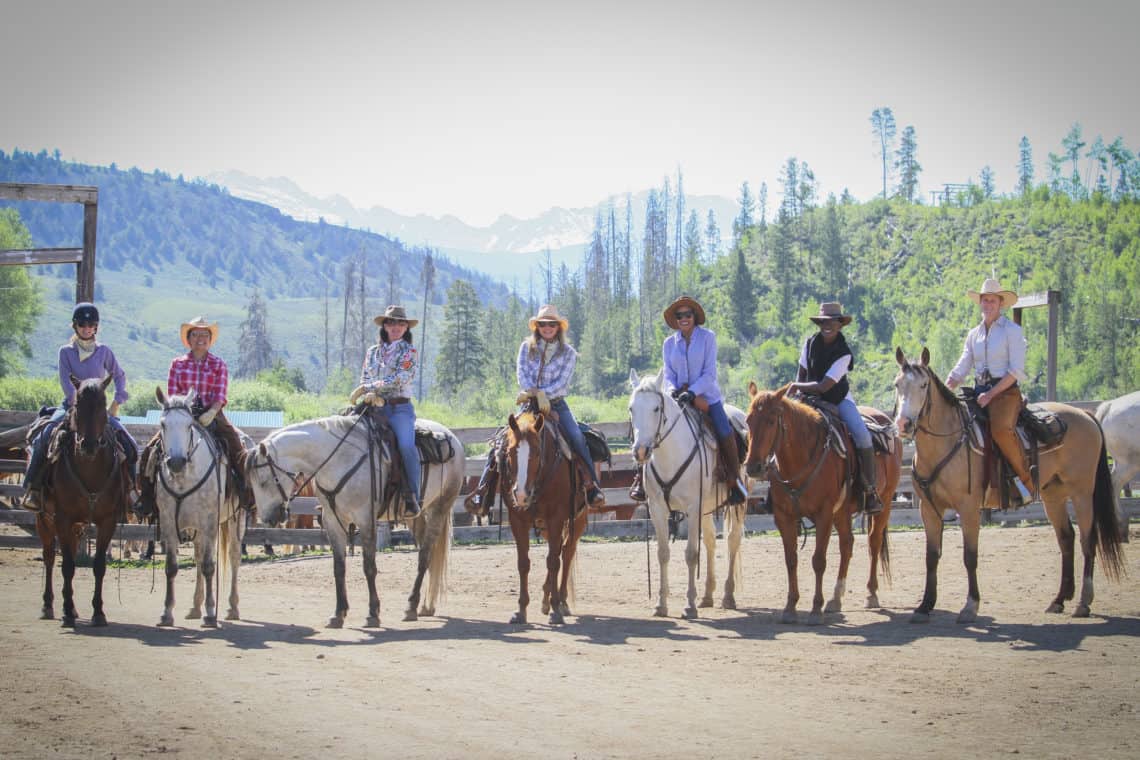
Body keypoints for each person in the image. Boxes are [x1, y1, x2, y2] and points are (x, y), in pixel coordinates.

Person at [631, 295, 747, 504]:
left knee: (724, 430)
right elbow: (667, 374)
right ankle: (641, 480)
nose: (684, 318)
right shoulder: (668, 344)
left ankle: (734, 480)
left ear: (695, 316)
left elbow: (710, 373)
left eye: (688, 314)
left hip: (706, 397)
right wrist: (674, 389)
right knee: (650, 425)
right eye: (679, 315)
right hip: (677, 398)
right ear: (675, 319)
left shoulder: (708, 338)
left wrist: (692, 392)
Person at [22, 302, 135, 511]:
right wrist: (75, 402)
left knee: (128, 441)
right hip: (71, 405)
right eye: (82, 324)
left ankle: (132, 491)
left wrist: (117, 400)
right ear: (75, 326)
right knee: (44, 435)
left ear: (96, 327)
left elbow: (119, 375)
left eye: (91, 324)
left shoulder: (104, 351)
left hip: (98, 410)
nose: (86, 328)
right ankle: (33, 489)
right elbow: (65, 380)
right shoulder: (65, 352)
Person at [136, 316, 252, 515]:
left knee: (236, 446)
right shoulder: (177, 364)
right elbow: (172, 394)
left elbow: (220, 394)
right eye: (196, 334)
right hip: (182, 415)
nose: (201, 338)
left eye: (205, 335)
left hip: (212, 414)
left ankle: (246, 494)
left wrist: (212, 412)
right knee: (150, 451)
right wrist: (184, 413)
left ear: (210, 339)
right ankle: (146, 498)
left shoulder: (218, 364)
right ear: (188, 339)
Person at [788, 302, 884, 515]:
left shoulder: (844, 353)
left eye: (832, 321)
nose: (827, 325)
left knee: (862, 436)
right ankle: (776, 490)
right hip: (808, 398)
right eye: (823, 321)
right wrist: (795, 396)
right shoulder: (809, 343)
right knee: (783, 428)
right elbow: (801, 373)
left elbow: (824, 386)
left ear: (840, 324)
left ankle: (869, 490)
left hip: (837, 400)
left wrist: (796, 387)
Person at [945, 278, 1034, 505]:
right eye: (984, 300)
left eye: (992, 300)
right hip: (979, 392)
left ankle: (1027, 482)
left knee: (1001, 431)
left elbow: (1016, 372)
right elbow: (963, 365)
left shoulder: (1012, 332)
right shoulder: (974, 334)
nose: (987, 304)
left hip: (1005, 393)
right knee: (958, 428)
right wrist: (948, 385)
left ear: (1001, 303)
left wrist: (991, 394)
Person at [512, 304, 606, 508]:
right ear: (537, 326)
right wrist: (534, 393)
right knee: (505, 440)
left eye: (552, 324)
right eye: (543, 324)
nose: (547, 327)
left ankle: (592, 487)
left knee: (577, 438)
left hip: (556, 404)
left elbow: (562, 383)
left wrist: (545, 394)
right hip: (528, 403)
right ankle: (484, 490)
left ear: (558, 327)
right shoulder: (526, 347)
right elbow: (522, 374)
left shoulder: (568, 353)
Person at [353, 305, 423, 519]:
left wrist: (371, 388)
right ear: (385, 325)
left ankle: (413, 495)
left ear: (406, 328)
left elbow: (403, 377)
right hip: (372, 406)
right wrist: (367, 391)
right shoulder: (372, 352)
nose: (396, 327)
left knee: (406, 445)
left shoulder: (409, 351)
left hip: (398, 407)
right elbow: (365, 375)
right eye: (392, 322)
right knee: (347, 437)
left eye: (401, 323)